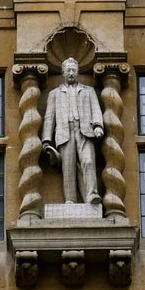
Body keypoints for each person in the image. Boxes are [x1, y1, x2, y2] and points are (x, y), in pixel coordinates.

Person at [42, 57, 104, 204]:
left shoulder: (88, 91)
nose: (71, 73)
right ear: (63, 72)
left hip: (85, 131)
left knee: (88, 161)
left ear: (77, 72)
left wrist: (97, 126)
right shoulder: (54, 93)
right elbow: (49, 118)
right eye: (68, 70)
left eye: (74, 70)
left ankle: (92, 195)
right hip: (64, 132)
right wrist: (46, 140)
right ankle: (70, 199)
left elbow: (96, 109)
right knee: (68, 167)